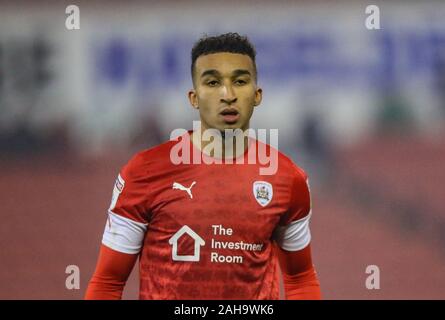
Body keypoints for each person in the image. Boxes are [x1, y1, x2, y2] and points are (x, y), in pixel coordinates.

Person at [85, 32, 321, 300]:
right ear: (194, 97)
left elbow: (300, 278)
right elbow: (108, 282)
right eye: (212, 82)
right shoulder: (144, 172)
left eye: (240, 81)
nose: (227, 95)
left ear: (256, 95)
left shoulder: (287, 179)